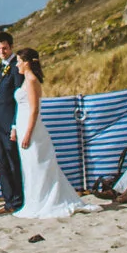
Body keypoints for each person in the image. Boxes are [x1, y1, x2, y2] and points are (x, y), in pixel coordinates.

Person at [11, 50, 101, 217]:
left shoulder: (31, 81)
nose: (16, 65)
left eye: (19, 61)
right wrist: (16, 127)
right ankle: (34, 201)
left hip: (32, 129)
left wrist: (28, 133)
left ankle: (44, 200)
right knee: (30, 167)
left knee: (39, 165)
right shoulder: (25, 81)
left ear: (26, 63)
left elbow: (34, 109)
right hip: (23, 125)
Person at [0, 30, 25, 211]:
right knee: (2, 163)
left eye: (4, 48)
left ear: (11, 47)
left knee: (13, 163)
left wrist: (15, 125)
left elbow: (19, 97)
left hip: (10, 123)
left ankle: (18, 200)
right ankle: (8, 199)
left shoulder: (16, 67)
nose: (1, 52)